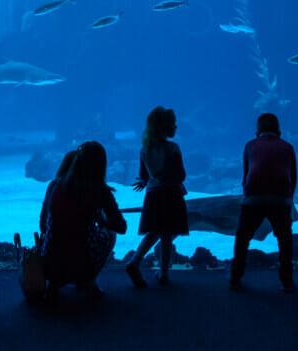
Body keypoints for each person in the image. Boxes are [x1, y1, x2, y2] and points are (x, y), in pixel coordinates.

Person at [39, 141, 128, 299]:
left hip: (49, 261)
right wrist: (102, 219)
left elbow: (43, 224)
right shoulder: (100, 190)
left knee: (53, 235)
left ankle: (54, 283)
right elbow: (121, 227)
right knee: (110, 234)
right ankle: (88, 281)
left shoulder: (54, 185)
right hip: (82, 262)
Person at [229, 112, 297, 292]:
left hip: (253, 199)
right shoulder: (287, 147)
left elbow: (245, 175)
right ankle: (287, 281)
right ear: (278, 130)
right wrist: (288, 199)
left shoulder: (250, 145)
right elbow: (293, 177)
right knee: (284, 240)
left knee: (243, 237)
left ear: (257, 130)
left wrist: (248, 194)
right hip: (280, 199)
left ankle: (235, 278)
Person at [126, 106, 189, 287]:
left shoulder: (145, 149)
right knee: (167, 233)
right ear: (165, 127)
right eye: (173, 124)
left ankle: (135, 261)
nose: (176, 127)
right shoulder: (173, 148)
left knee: (154, 230)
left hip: (153, 195)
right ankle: (163, 273)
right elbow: (181, 175)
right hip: (171, 194)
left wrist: (146, 181)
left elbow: (143, 175)